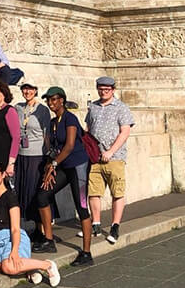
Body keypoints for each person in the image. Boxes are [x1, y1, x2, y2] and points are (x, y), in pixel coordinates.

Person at [0, 162, 61, 286]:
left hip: (12, 238)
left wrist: (14, 250)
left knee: (8, 266)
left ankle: (47, 265)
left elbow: (15, 228)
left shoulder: (10, 197)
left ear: (3, 175)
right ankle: (27, 270)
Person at [32, 86, 92, 264]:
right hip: (62, 165)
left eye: (55, 99)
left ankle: (87, 252)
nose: (51, 103)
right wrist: (50, 165)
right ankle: (49, 240)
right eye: (49, 100)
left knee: (81, 206)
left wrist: (54, 164)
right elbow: (54, 147)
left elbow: (70, 145)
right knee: (42, 195)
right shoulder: (53, 122)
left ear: (62, 100)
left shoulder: (70, 119)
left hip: (78, 165)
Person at [86, 75, 135, 245]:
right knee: (94, 192)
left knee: (117, 192)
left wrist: (110, 151)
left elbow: (125, 131)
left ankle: (115, 225)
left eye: (107, 89)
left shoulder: (121, 107)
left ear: (113, 90)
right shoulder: (93, 107)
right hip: (95, 157)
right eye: (101, 89)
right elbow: (88, 129)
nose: (104, 91)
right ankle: (96, 223)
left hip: (115, 157)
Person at [14, 83, 51, 223]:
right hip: (21, 155)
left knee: (34, 191)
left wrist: (48, 156)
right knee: (22, 191)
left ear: (35, 90)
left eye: (30, 89)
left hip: (36, 155)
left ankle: (40, 227)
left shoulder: (42, 110)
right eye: (24, 88)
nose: (27, 91)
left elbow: (46, 134)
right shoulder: (18, 107)